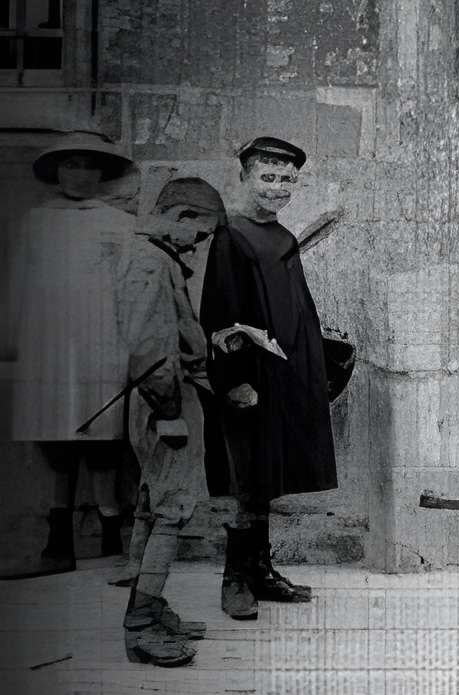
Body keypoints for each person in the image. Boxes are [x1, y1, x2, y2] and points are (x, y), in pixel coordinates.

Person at [200, 135, 335, 620]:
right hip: (250, 380)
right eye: (268, 177)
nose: (278, 187)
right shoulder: (230, 236)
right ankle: (234, 577)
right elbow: (220, 314)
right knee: (245, 479)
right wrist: (235, 379)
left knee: (269, 477)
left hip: (284, 376)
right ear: (244, 177)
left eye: (287, 179)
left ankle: (260, 570)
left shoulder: (283, 238)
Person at [2, 131, 135, 579]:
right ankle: (57, 540)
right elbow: (18, 285)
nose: (80, 175)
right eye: (71, 165)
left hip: (103, 342)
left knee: (103, 436)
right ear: (57, 171)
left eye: (89, 166)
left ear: (103, 173)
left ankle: (112, 532)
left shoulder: (118, 224)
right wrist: (13, 338)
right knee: (57, 438)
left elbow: (129, 286)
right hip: (50, 343)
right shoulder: (37, 222)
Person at [115, 175, 226, 667]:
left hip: (172, 397)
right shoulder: (147, 262)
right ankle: (140, 626)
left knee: (152, 507)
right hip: (167, 403)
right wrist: (170, 414)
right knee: (171, 512)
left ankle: (151, 606)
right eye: (199, 233)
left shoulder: (160, 260)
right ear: (180, 217)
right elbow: (148, 351)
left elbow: (172, 337)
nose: (200, 244)